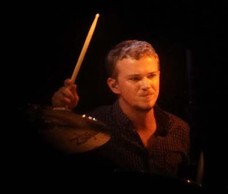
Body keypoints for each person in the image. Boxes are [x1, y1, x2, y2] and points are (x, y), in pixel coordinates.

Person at [51, 39, 194, 182]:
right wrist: (59, 114)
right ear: (114, 86)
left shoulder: (179, 129)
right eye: (135, 78)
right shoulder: (91, 128)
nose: (146, 85)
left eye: (151, 76)